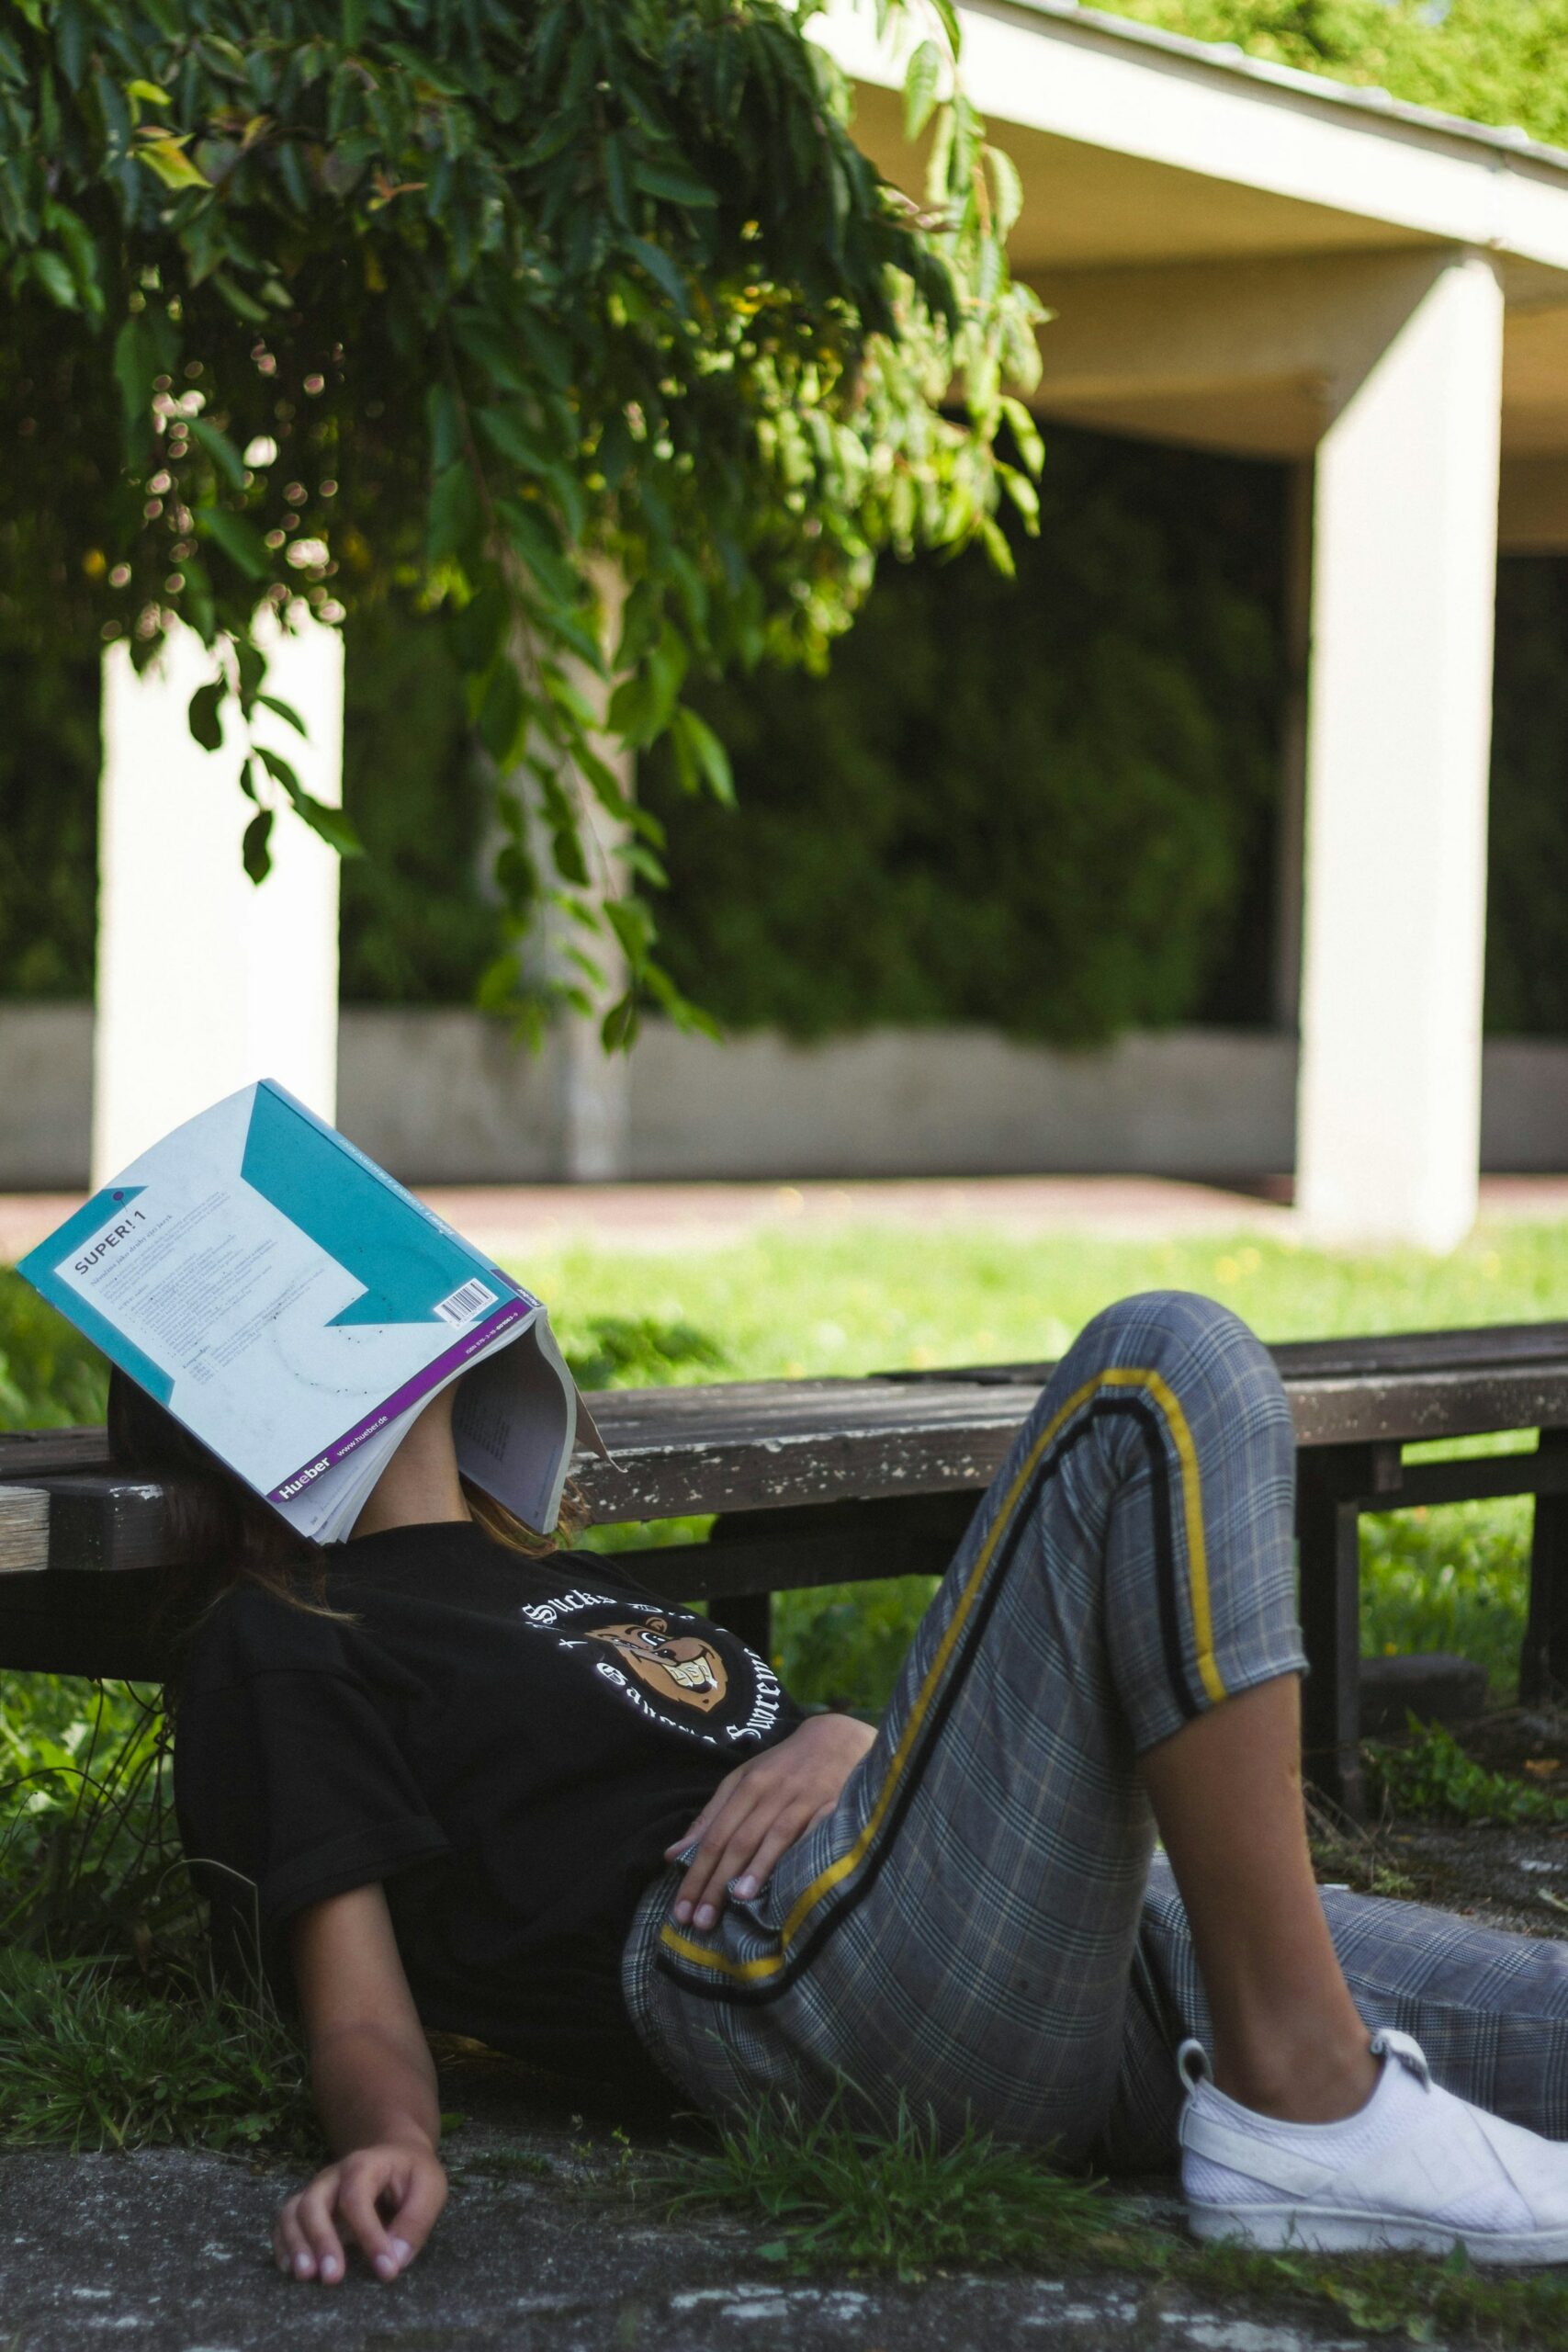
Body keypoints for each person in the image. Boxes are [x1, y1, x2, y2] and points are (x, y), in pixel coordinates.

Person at [123, 1292, 1568, 2289]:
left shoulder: (556, 1582)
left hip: (1061, 1944)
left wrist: (847, 1736)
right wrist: (391, 2143)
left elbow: (790, 1761)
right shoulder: (291, 1633)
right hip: (802, 1986)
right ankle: (1304, 2101)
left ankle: (1291, 2084)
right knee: (1160, 1368)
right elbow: (363, 2002)